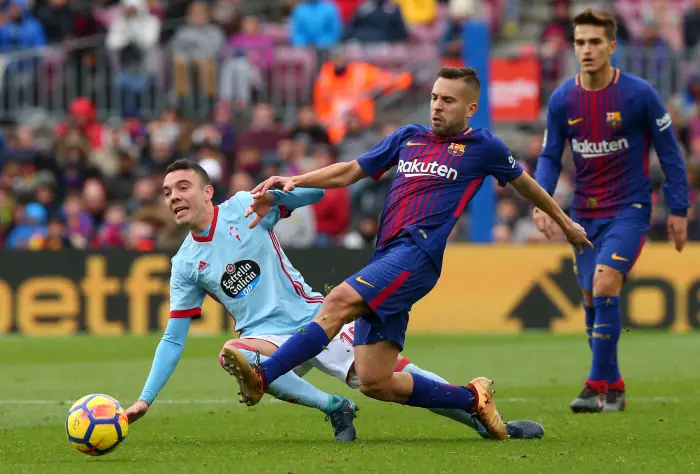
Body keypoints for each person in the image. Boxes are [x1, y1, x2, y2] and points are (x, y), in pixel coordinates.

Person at [223, 66, 592, 440]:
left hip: (416, 255)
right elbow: (351, 170)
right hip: (386, 257)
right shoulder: (408, 137)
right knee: (375, 380)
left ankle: (264, 375)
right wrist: (295, 180)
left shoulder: (484, 147)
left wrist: (564, 223)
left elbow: (526, 186)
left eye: (448, 100)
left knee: (336, 302)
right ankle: (472, 399)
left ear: (470, 109)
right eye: (434, 97)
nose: (437, 106)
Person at [125, 159, 545, 441]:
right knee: (236, 357)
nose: (174, 196)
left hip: (315, 318)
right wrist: (145, 398)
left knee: (394, 380)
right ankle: (334, 406)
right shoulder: (185, 264)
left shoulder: (241, 206)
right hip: (265, 337)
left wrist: (284, 191)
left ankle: (490, 424)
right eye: (167, 192)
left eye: (183, 187)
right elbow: (173, 338)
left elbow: (317, 197)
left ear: (207, 191)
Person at [532, 9, 689, 413]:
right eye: (580, 42)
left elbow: (670, 153)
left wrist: (679, 208)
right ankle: (614, 385)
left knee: (604, 284)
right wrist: (543, 202)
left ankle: (593, 387)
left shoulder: (639, 95)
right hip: (582, 213)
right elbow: (550, 156)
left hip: (630, 208)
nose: (587, 49)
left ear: (612, 47)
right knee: (590, 296)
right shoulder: (563, 98)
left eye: (595, 42)